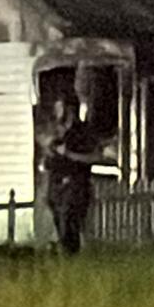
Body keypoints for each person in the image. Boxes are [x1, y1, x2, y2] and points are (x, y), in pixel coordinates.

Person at [39, 92, 102, 255]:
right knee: (58, 222)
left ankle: (71, 255)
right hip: (56, 186)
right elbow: (49, 159)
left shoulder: (82, 131)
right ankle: (64, 254)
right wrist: (48, 157)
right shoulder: (57, 132)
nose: (57, 111)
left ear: (70, 109)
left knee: (69, 221)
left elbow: (94, 157)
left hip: (76, 185)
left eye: (60, 108)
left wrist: (68, 153)